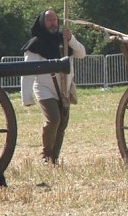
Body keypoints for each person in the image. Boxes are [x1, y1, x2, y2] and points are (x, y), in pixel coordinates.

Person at [20, 9, 86, 165]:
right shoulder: (36, 44)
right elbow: (27, 71)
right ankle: (46, 154)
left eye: (55, 20)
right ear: (43, 22)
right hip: (44, 89)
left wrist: (72, 40)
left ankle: (53, 158)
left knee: (62, 124)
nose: (53, 23)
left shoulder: (64, 40)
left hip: (64, 90)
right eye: (49, 20)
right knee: (54, 120)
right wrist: (26, 97)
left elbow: (82, 53)